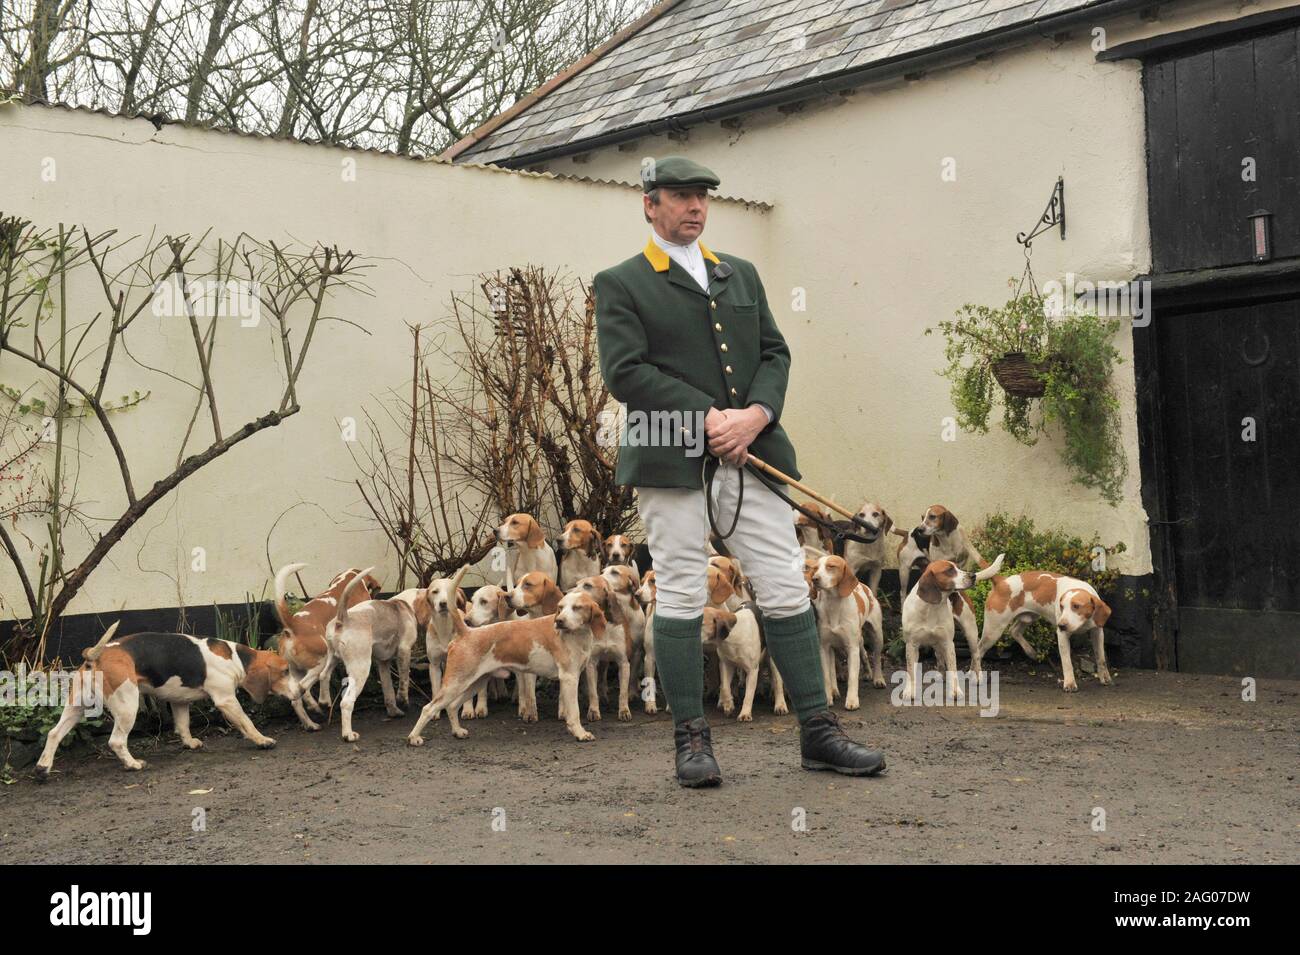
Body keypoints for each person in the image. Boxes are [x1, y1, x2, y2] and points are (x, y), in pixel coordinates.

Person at [593, 155, 887, 787]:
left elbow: (774, 352)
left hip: (754, 452)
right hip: (670, 453)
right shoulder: (622, 282)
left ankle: (819, 734)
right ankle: (691, 743)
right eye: (679, 196)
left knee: (783, 582)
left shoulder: (741, 275)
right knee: (676, 588)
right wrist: (710, 418)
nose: (694, 207)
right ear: (650, 204)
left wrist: (753, 415)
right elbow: (625, 372)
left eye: (701, 196)